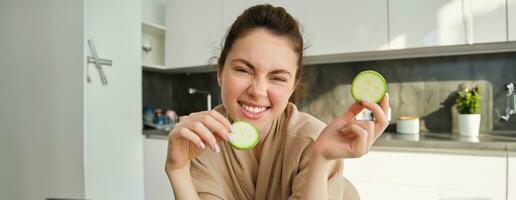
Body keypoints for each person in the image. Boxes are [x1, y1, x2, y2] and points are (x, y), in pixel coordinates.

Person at [165, 4, 389, 200]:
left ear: (293, 86)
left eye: (278, 78)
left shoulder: (314, 139)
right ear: (220, 72)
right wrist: (177, 170)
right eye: (243, 70)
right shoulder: (201, 140)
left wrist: (319, 158)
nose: (258, 91)